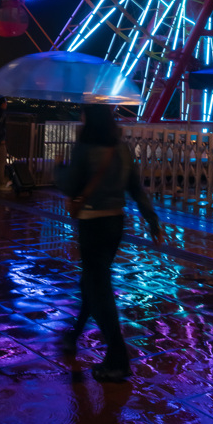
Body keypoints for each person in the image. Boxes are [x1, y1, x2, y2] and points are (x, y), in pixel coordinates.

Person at [56, 104, 161, 383]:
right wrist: (151, 219)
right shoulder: (121, 148)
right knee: (93, 282)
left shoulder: (85, 147)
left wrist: (59, 168)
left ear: (89, 118)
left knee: (97, 287)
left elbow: (69, 186)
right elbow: (136, 187)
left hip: (92, 222)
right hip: (115, 223)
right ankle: (74, 335)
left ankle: (117, 357)